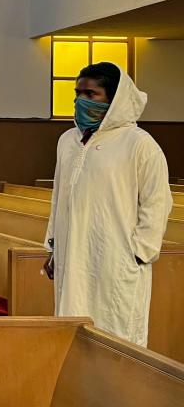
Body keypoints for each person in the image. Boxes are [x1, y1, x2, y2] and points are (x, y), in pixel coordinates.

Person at [43, 62, 172, 347]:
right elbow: (59, 197)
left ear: (114, 100)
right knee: (72, 329)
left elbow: (157, 202)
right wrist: (54, 246)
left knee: (116, 333)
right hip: (73, 255)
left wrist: (138, 253)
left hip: (117, 259)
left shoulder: (139, 143)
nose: (81, 101)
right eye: (78, 93)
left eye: (92, 94)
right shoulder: (68, 140)